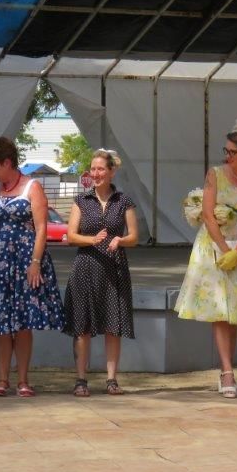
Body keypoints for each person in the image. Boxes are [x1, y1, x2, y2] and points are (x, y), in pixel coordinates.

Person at [176, 119, 237, 398]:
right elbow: (207, 213)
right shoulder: (215, 174)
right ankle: (227, 371)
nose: (227, 155)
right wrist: (223, 248)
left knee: (235, 310)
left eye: (232, 151)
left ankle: (227, 367)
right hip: (214, 245)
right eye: (226, 150)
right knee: (220, 308)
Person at [0, 136, 65, 397]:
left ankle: (23, 380)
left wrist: (35, 264)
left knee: (22, 323)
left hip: (24, 260)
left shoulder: (32, 187)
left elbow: (42, 228)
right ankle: (2, 379)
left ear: (7, 162)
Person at [63, 148, 139, 397]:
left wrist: (121, 241)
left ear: (111, 171)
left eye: (100, 169)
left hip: (114, 268)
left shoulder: (124, 200)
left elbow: (134, 237)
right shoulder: (81, 200)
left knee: (112, 325)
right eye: (92, 169)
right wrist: (92, 239)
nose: (95, 174)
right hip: (86, 266)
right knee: (82, 325)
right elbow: (71, 236)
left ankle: (111, 380)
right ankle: (81, 379)